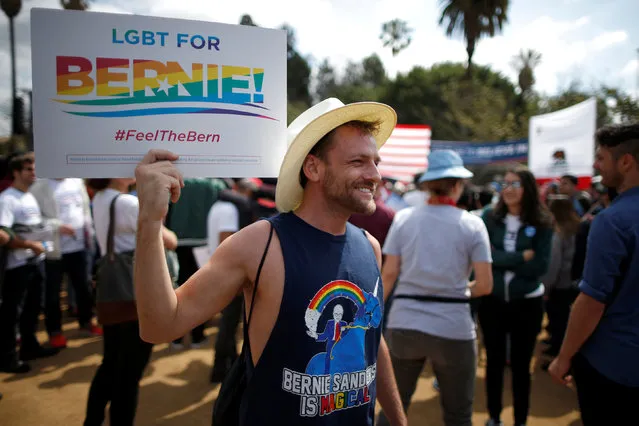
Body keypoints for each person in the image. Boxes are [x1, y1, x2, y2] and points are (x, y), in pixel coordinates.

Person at [132, 98, 406, 425]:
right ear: (313, 167)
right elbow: (161, 324)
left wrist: (398, 420)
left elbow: (374, 343)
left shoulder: (370, 247)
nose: (375, 174)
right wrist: (149, 222)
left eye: (375, 161)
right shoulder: (261, 244)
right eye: (358, 161)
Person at [377, 150, 493, 426]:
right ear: (456, 185)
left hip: (404, 322)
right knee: (458, 415)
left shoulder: (404, 219)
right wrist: (458, 291)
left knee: (394, 409)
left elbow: (389, 274)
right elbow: (485, 285)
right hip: (453, 327)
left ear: (429, 184)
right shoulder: (473, 224)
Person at [549, 123, 639, 425]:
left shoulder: (612, 221)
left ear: (625, 162)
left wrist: (563, 358)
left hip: (615, 366)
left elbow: (591, 302)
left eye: (601, 157)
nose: (595, 165)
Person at [83, 178, 177, 426]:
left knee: (111, 362)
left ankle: (92, 420)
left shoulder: (101, 198)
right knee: (130, 373)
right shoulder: (126, 202)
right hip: (137, 293)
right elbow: (170, 241)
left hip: (113, 290)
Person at [478, 167, 553, 426]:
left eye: (515, 184)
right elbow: (485, 258)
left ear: (528, 188)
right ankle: (494, 416)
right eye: (505, 184)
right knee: (494, 362)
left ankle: (520, 419)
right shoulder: (489, 217)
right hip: (493, 300)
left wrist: (501, 259)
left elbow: (540, 266)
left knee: (522, 365)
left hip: (527, 302)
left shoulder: (543, 220)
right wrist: (520, 256)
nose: (507, 189)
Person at [0, 152, 59, 374]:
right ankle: (8, 357)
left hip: (36, 262)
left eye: (35, 168)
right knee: (12, 312)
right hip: (17, 267)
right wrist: (29, 245)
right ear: (16, 172)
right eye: (28, 169)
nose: (34, 172)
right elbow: (2, 234)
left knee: (33, 308)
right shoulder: (7, 199)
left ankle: (29, 346)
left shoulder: (29, 196)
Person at [30, 177, 102, 349]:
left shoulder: (77, 182)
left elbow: (85, 211)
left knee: (84, 287)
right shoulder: (39, 185)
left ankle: (87, 321)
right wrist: (57, 226)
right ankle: (55, 332)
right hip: (53, 250)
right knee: (52, 294)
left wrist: (89, 236)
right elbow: (34, 218)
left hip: (80, 247)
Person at [541, 196, 580, 360]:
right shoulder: (576, 228)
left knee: (558, 319)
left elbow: (554, 264)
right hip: (571, 282)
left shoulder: (558, 234)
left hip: (558, 284)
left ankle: (556, 352)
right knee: (564, 319)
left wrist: (547, 287)